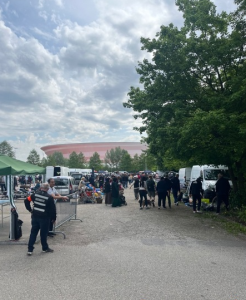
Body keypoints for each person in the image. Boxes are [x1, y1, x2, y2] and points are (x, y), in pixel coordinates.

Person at [25, 183, 56, 255]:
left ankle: (30, 249)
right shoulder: (49, 197)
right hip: (45, 218)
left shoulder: (34, 195)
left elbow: (26, 201)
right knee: (43, 233)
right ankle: (44, 248)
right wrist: (53, 218)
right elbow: (52, 209)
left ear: (40, 188)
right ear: (47, 189)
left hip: (35, 216)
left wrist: (30, 210)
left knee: (33, 232)